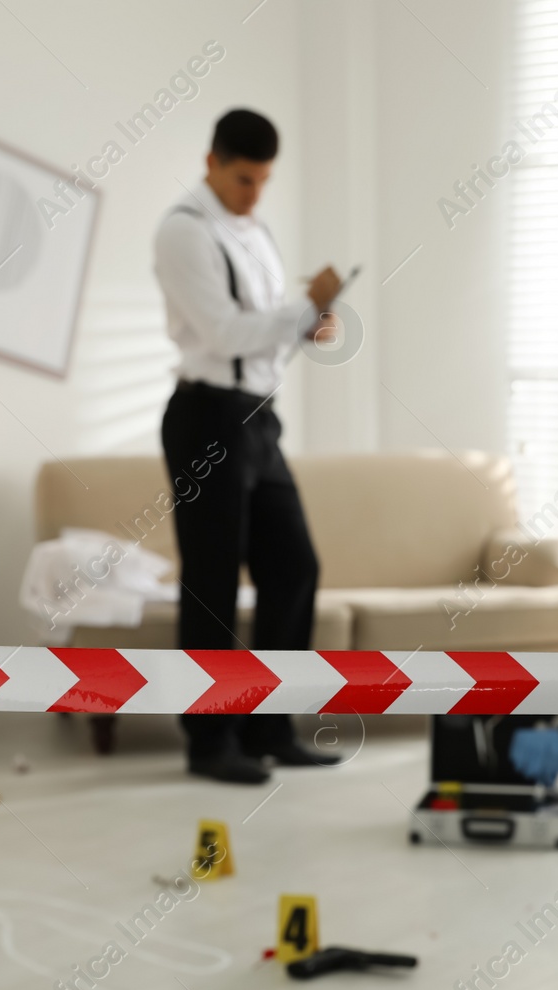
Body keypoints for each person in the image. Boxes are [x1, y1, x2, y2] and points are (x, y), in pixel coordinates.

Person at [153, 109, 343, 784]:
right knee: (211, 583)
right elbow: (226, 332)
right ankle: (209, 743)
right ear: (211, 162)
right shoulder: (185, 231)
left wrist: (309, 324)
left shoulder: (254, 231)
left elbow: (264, 332)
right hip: (206, 417)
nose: (254, 193)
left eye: (263, 181)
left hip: (260, 418)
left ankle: (271, 727)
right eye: (243, 178)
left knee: (295, 567)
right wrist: (302, 309)